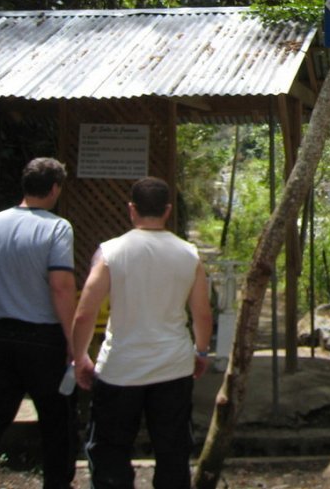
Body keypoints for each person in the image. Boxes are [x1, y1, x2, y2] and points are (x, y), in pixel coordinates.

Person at [71, 176, 213, 489]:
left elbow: (84, 313)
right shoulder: (188, 254)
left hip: (120, 368)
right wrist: (201, 351)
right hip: (173, 366)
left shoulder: (111, 252)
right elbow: (202, 313)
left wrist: (80, 357)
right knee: (173, 450)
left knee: (110, 449)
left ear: (131, 209)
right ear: (167, 210)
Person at [0, 157, 78, 489]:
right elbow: (61, 286)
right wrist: (73, 340)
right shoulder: (57, 227)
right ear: (54, 189)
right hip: (43, 338)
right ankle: (56, 483)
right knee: (57, 420)